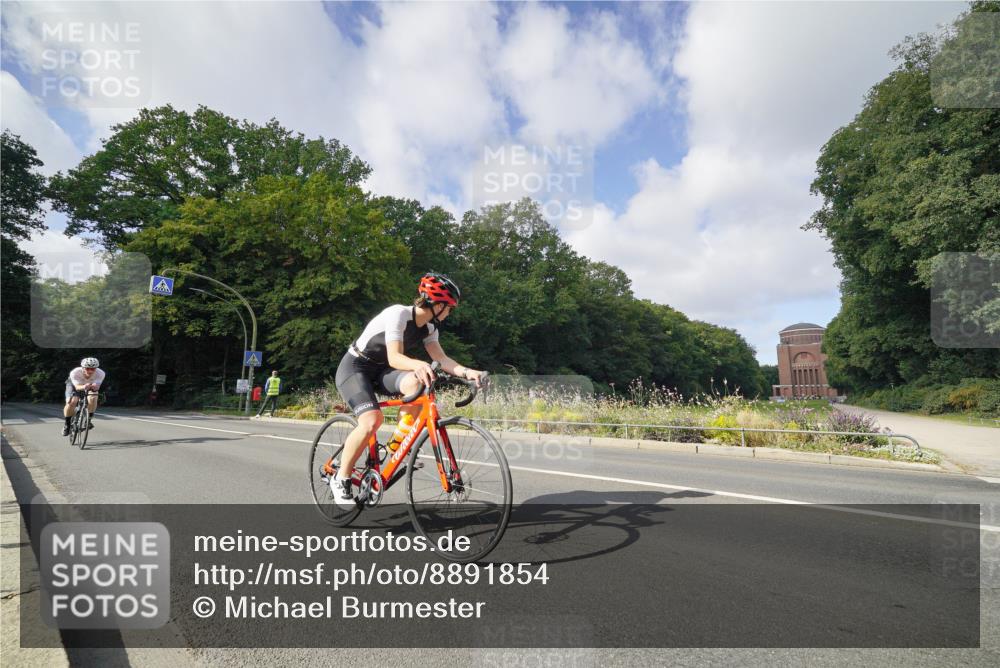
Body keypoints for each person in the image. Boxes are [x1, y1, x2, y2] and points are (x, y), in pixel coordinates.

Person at [331, 273, 485, 506]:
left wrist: (468, 372)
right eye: (450, 308)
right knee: (372, 420)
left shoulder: (430, 328)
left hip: (382, 371)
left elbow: (442, 359)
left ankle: (396, 446)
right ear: (439, 305)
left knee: (416, 383)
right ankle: (341, 478)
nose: (450, 313)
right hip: (355, 367)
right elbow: (395, 357)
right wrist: (418, 364)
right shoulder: (399, 314)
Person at [62, 357, 105, 436]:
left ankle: (88, 420)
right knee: (72, 402)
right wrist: (85, 386)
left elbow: (97, 387)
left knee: (93, 397)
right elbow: (77, 387)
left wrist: (95, 387)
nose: (90, 371)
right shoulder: (75, 372)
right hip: (74, 385)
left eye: (93, 369)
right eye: (87, 368)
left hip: (89, 385)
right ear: (83, 368)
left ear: (96, 369)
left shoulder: (100, 373)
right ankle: (67, 424)